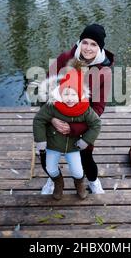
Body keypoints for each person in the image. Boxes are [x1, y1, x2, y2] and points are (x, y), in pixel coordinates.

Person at [40, 23, 114, 194]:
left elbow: (98, 107)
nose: (88, 48)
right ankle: (52, 180)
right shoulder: (64, 58)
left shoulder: (104, 71)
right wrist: (52, 119)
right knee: (46, 154)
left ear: (100, 47)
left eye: (94, 44)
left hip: (81, 123)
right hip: (55, 117)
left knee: (85, 156)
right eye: (85, 42)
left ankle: (93, 182)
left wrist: (74, 127)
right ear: (80, 42)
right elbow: (45, 90)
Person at [33, 59, 102, 200]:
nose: (69, 99)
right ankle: (58, 184)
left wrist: (86, 141)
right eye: (66, 94)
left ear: (79, 95)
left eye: (73, 95)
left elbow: (96, 124)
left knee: (77, 171)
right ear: (59, 93)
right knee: (51, 167)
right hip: (53, 144)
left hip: (73, 146)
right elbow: (38, 120)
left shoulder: (84, 109)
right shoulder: (52, 106)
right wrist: (41, 141)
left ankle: (80, 185)